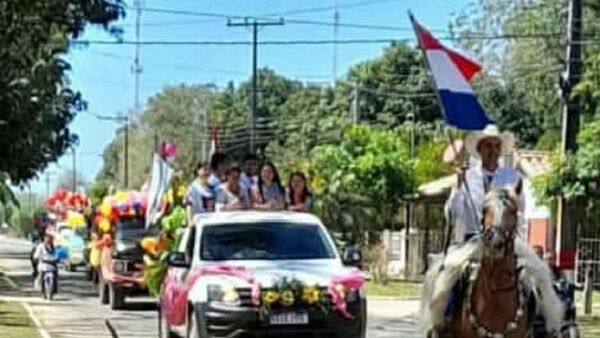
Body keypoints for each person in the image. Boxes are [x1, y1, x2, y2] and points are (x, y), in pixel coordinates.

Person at [444, 124, 525, 244]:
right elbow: (452, 213)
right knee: (450, 262)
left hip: (505, 242)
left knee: (533, 262)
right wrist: (458, 185)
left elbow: (521, 212)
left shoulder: (512, 177)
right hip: (472, 241)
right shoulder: (467, 177)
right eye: (488, 146)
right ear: (479, 149)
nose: (493, 151)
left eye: (497, 146)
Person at [185, 161, 215, 226]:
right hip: (199, 224)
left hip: (211, 223)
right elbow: (189, 206)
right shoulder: (193, 188)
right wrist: (190, 222)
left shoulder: (212, 188)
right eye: (204, 170)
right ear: (198, 171)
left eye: (209, 170)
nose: (207, 172)